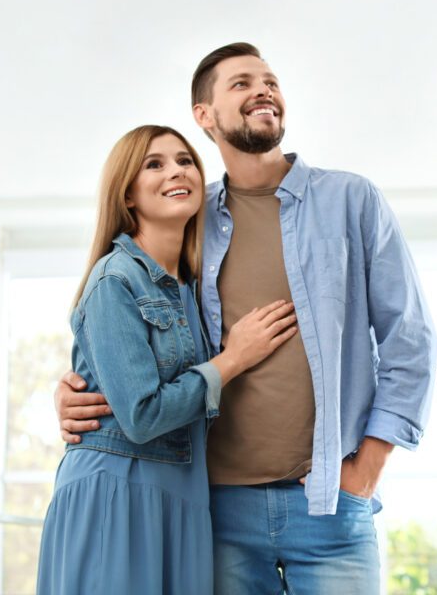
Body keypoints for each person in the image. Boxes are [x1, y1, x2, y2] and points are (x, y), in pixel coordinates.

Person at [55, 46, 437, 594]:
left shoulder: (351, 199)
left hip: (330, 502)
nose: (263, 90)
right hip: (215, 510)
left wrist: (367, 468)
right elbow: (135, 326)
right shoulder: (189, 215)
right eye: (241, 83)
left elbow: (410, 342)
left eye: (270, 80)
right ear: (204, 115)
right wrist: (77, 385)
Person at [37, 125, 298, 595]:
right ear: (128, 194)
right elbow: (141, 414)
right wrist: (232, 359)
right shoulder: (115, 280)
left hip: (182, 497)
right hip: (118, 498)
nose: (175, 171)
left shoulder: (193, 288)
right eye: (153, 164)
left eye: (184, 160)